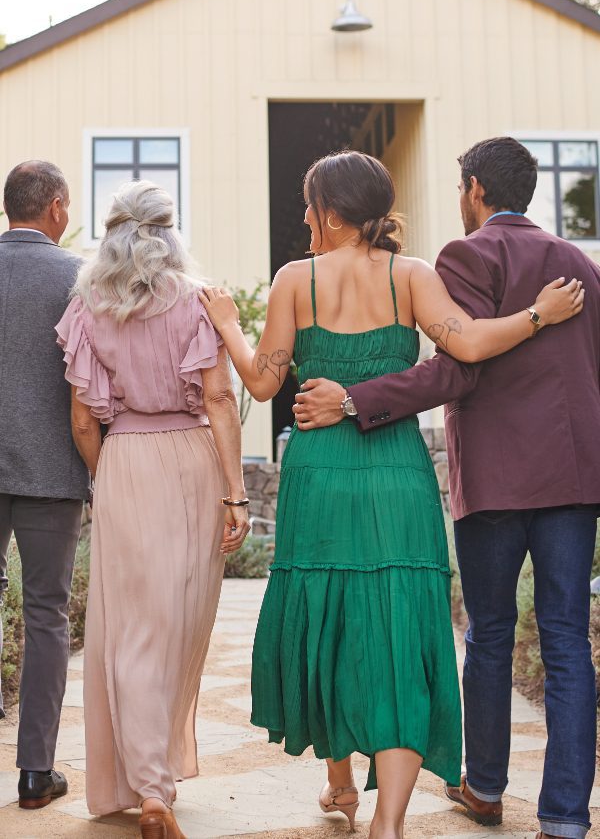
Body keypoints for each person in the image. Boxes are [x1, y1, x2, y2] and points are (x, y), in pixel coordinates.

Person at [200, 150, 583, 839]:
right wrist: (538, 314)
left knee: (330, 620)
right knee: (403, 632)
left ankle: (340, 778)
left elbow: (261, 383)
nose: (305, 215)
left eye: (308, 202)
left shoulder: (295, 279)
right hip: (398, 473)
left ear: (332, 211)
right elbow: (467, 347)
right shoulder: (412, 275)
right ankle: (391, 822)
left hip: (320, 473)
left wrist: (227, 322)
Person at [55, 180, 250, 839]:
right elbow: (220, 401)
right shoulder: (198, 301)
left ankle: (148, 783)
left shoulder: (87, 308)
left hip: (126, 462)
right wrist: (236, 492)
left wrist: (106, 475)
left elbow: (85, 421)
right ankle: (155, 781)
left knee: (132, 630)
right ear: (170, 233)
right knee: (178, 624)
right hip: (192, 461)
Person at [0, 161, 88, 809]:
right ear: (56, 207)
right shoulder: (79, 277)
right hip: (51, 468)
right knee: (47, 615)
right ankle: (35, 773)